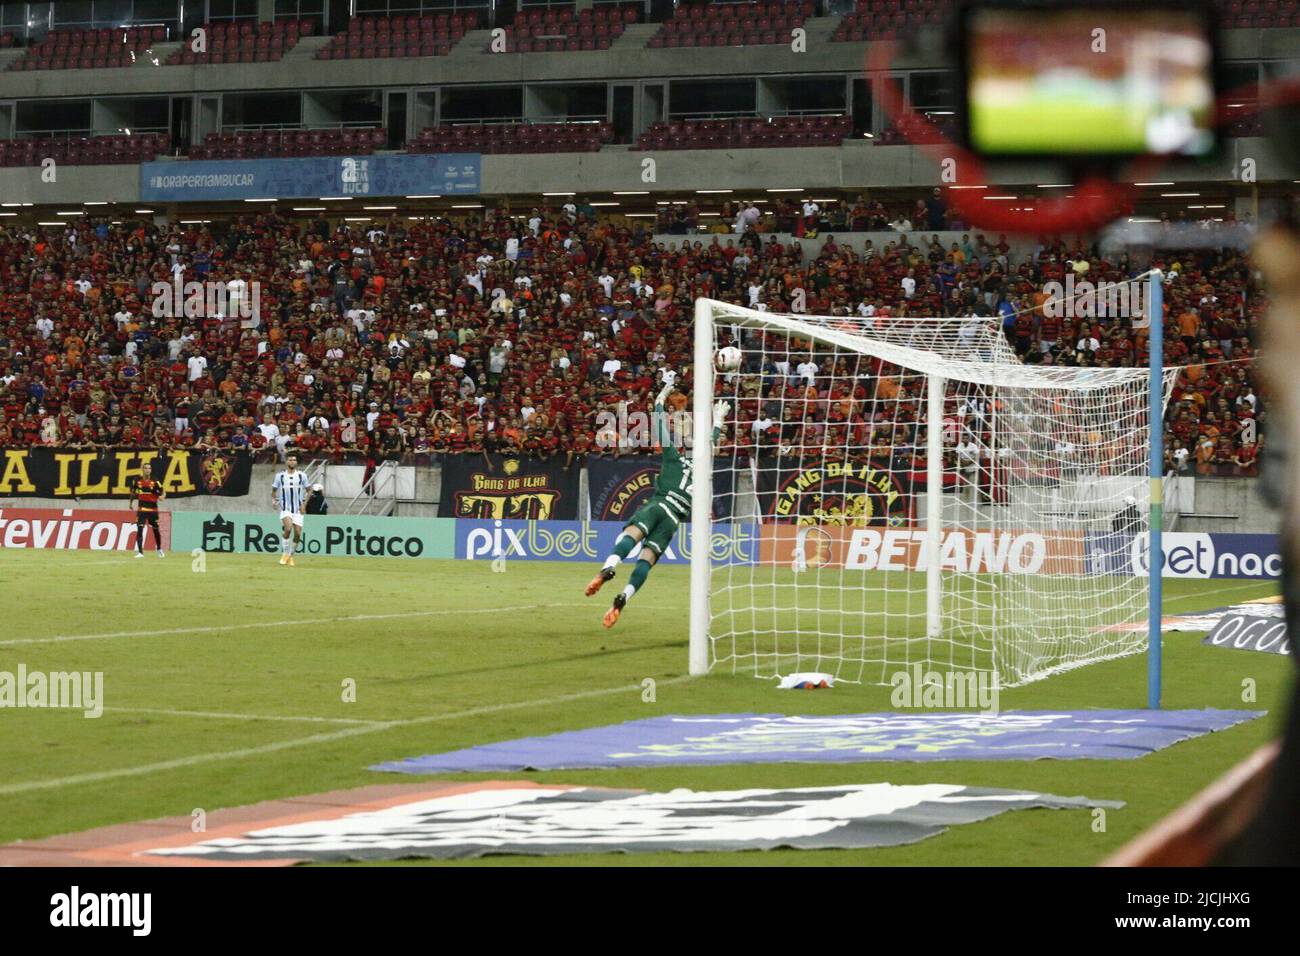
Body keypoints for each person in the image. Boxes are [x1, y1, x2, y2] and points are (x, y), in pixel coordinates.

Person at [585, 371, 728, 628]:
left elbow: (659, 424)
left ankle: (609, 566)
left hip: (659, 505)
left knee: (632, 533)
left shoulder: (673, 457)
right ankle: (624, 597)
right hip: (674, 520)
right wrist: (718, 421)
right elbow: (711, 447)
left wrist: (661, 397)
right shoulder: (704, 469)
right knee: (647, 559)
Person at [271, 452, 309, 567]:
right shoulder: (280, 476)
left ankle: (290, 556)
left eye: (294, 460)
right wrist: (274, 501)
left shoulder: (302, 475)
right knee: (288, 528)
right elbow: (273, 490)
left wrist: (304, 504)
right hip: (286, 508)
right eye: (290, 460)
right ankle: (285, 553)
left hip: (298, 510)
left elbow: (309, 490)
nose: (292, 462)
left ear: (296, 462)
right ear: (286, 462)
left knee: (297, 533)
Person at [129, 470, 165, 559]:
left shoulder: (155, 481)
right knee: (140, 529)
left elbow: (163, 491)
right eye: (146, 468)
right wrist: (130, 503)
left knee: (156, 530)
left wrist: (162, 496)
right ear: (143, 470)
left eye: (149, 468)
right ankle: (140, 552)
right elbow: (133, 492)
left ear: (151, 470)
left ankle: (159, 549)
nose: (147, 470)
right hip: (142, 510)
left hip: (153, 510)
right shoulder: (137, 481)